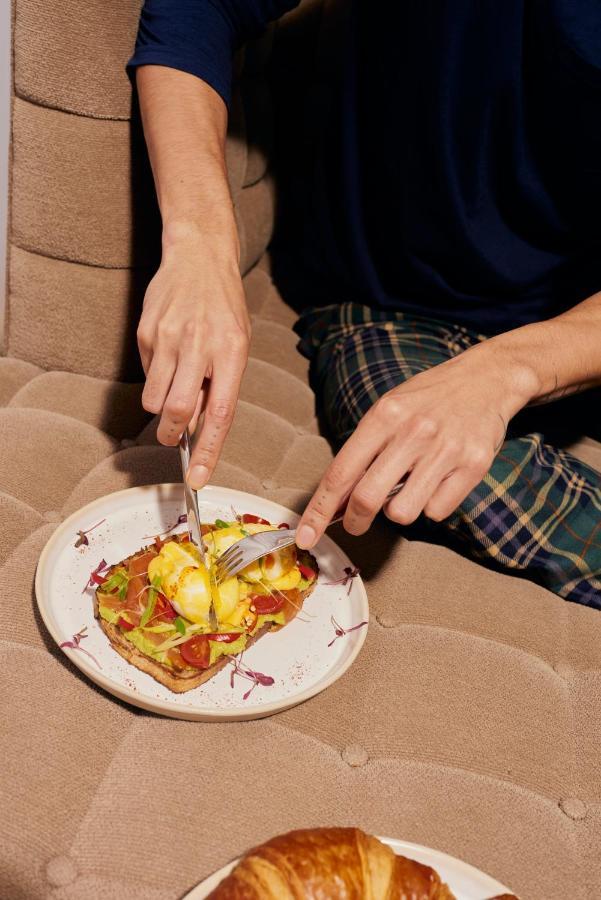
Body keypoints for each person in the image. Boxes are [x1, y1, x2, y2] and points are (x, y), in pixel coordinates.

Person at [127, 1, 601, 607]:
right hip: (390, 306)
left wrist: (509, 370)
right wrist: (199, 242)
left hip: (578, 325)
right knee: (410, 466)